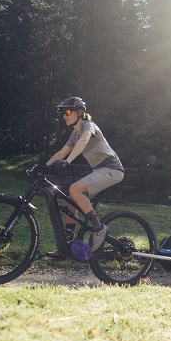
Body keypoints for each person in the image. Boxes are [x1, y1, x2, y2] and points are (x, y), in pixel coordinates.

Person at [47, 97, 125, 252]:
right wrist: (43, 167)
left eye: (68, 111)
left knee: (74, 189)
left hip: (112, 169)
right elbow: (61, 153)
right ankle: (68, 244)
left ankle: (98, 228)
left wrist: (67, 161)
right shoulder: (74, 135)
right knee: (71, 198)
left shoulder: (89, 126)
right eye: (63, 113)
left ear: (80, 112)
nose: (64, 115)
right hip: (100, 170)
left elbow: (83, 142)